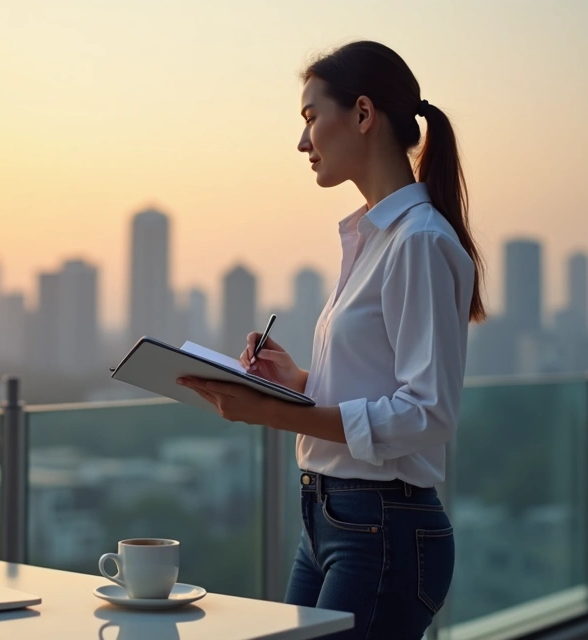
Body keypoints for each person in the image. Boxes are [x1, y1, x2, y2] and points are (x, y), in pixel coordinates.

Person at [177, 40, 485, 639]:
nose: (302, 142)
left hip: (383, 527)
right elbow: (376, 384)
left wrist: (273, 414)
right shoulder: (373, 239)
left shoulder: (417, 241)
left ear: (364, 115)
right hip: (329, 519)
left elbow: (427, 414)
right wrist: (296, 384)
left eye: (311, 118)